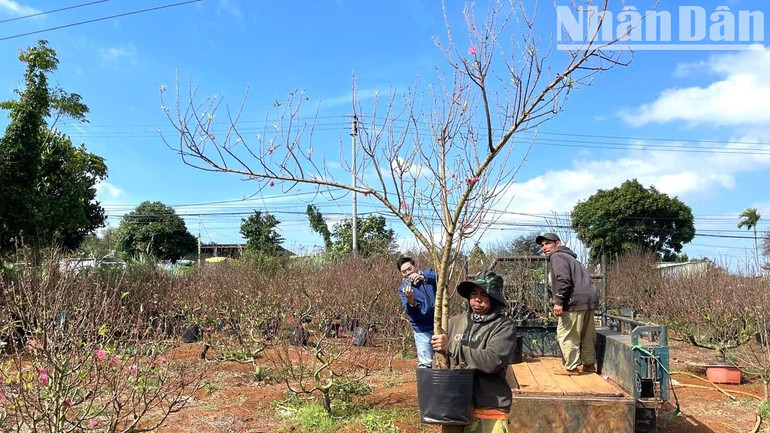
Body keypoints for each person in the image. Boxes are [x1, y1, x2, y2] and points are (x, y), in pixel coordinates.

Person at [431, 271, 517, 433]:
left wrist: (451, 347)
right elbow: (441, 361)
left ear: (495, 298)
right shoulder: (454, 322)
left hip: (489, 407)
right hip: (455, 407)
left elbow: (492, 361)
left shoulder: (504, 327)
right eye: (474, 293)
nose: (477, 299)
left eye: (484, 294)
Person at [536, 232, 600, 375]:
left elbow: (563, 280)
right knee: (587, 334)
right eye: (542, 245)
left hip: (574, 300)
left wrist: (559, 302)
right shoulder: (571, 257)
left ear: (557, 244)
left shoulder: (557, 256)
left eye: (547, 243)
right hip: (589, 299)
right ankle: (589, 365)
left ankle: (571, 367)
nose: (544, 247)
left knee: (567, 333)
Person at [397, 257, 438, 368]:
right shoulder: (403, 288)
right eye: (403, 272)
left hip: (439, 324)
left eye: (409, 269)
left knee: (445, 358)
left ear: (415, 266)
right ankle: (425, 385)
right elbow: (410, 311)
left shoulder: (428, 274)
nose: (407, 273)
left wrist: (423, 278)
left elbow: (440, 279)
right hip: (422, 329)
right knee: (425, 363)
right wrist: (410, 299)